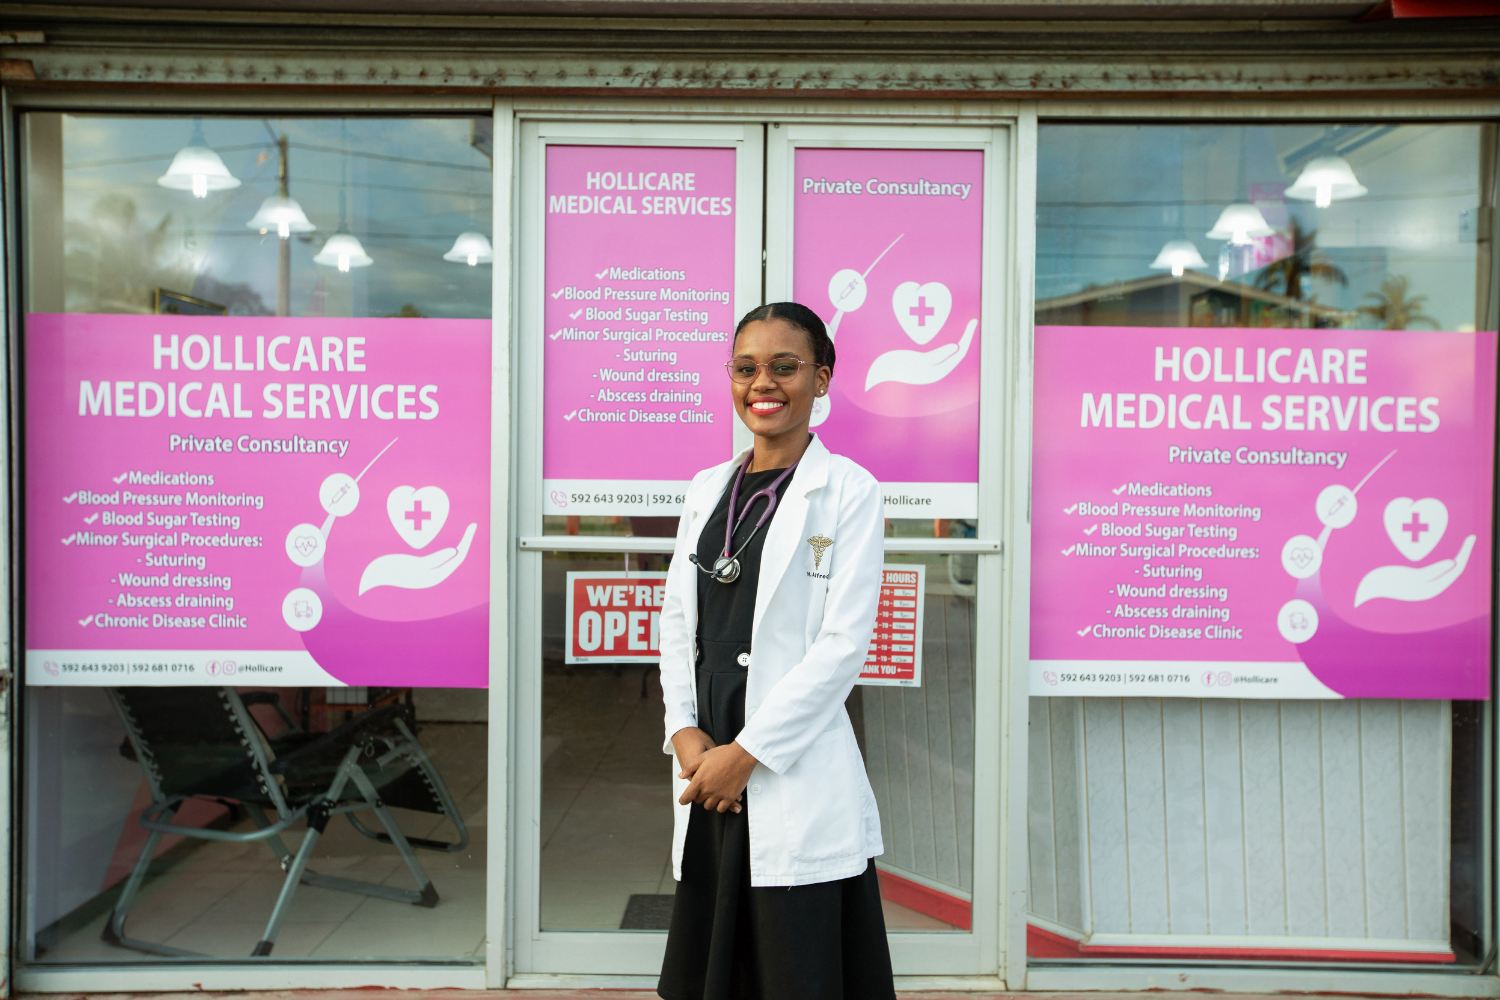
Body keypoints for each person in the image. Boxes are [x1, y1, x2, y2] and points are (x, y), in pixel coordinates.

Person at [656, 302, 896, 1000]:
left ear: (821, 378)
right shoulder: (707, 489)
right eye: (746, 367)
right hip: (706, 761)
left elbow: (843, 645)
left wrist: (746, 755)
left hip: (781, 760)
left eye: (785, 367)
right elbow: (677, 619)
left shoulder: (849, 492)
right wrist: (683, 732)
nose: (764, 383)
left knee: (797, 969)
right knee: (713, 972)